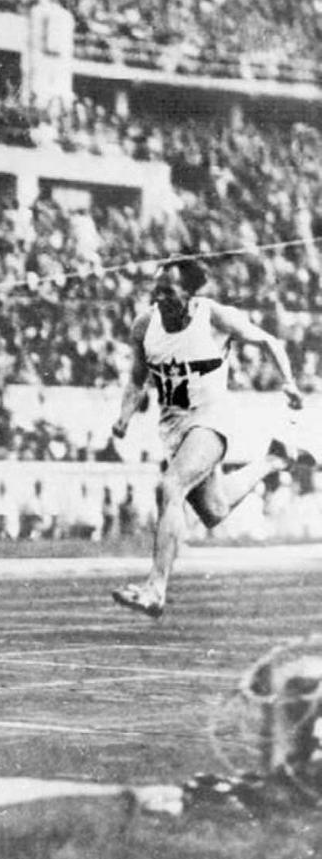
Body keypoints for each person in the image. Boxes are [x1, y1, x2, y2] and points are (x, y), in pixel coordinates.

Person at [110, 257, 310, 618]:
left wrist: (289, 382)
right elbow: (136, 378)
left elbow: (268, 341)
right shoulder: (145, 325)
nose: (159, 299)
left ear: (189, 295)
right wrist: (124, 416)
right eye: (156, 291)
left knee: (169, 487)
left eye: (169, 292)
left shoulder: (213, 316)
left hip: (211, 422)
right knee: (214, 510)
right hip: (174, 429)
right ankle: (275, 459)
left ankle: (155, 587)